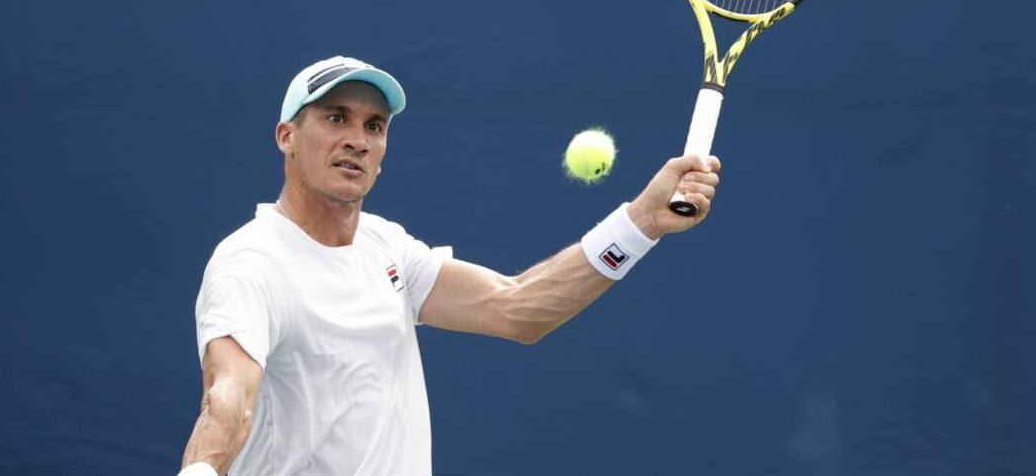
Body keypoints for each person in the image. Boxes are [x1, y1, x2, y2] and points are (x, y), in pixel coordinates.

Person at [178, 56, 721, 476]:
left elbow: (518, 309)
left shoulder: (386, 247)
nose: (357, 141)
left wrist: (641, 221)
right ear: (287, 136)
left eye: (374, 126)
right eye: (335, 117)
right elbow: (229, 395)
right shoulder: (251, 262)